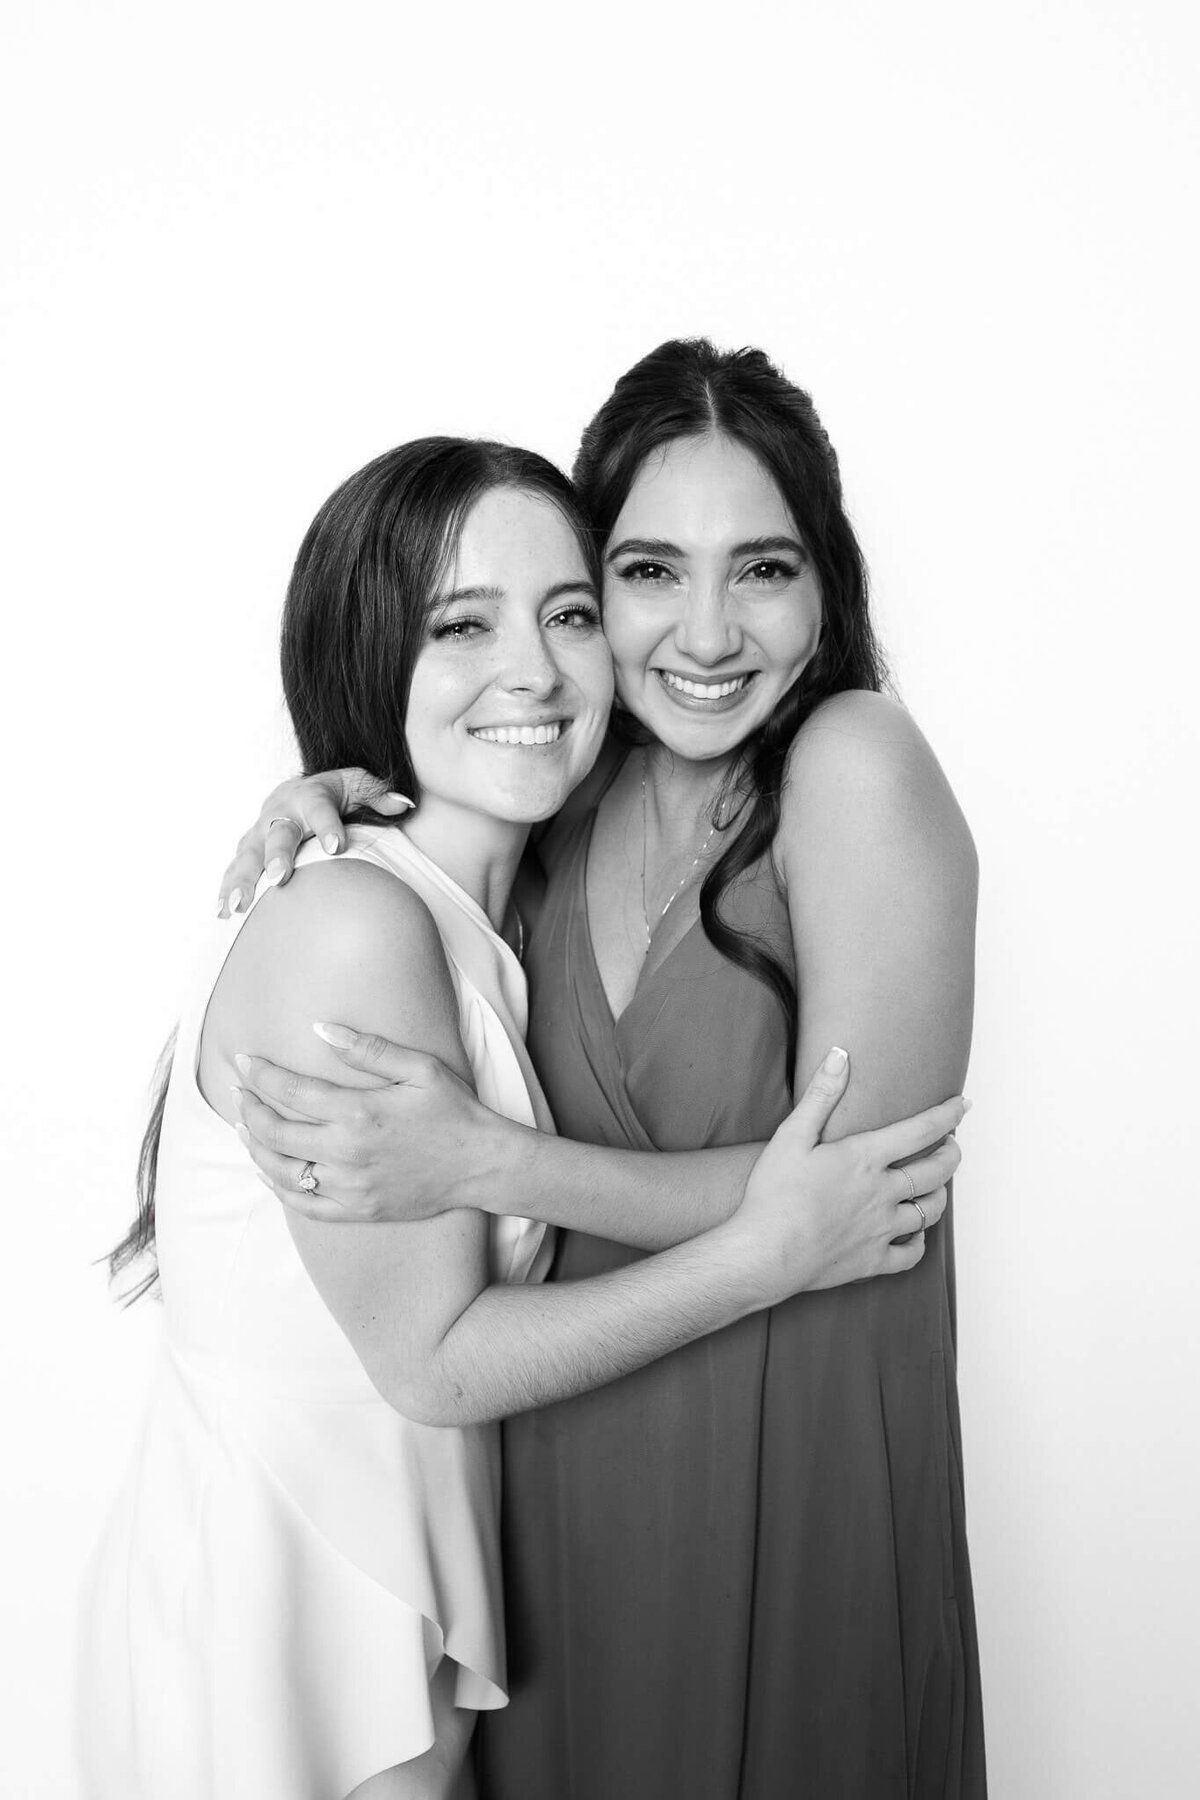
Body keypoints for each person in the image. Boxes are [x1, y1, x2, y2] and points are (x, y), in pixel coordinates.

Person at [80, 432, 962, 1800]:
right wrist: (765, 1249)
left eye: (563, 615)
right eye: (460, 626)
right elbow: (435, 1362)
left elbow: (850, 1183)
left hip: (424, 1601)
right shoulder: (360, 921)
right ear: (365, 651)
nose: (536, 669)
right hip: (295, 1634)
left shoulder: (493, 897)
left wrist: (493, 1155)